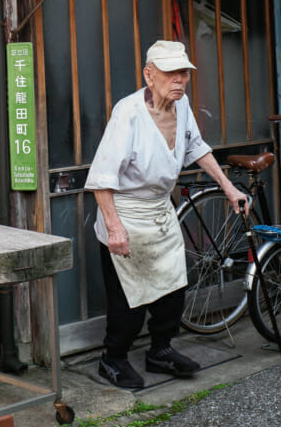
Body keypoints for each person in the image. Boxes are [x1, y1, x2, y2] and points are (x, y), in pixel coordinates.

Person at [87, 40, 251, 390]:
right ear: (149, 74)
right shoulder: (128, 112)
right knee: (128, 300)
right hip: (126, 214)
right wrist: (114, 229)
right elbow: (101, 179)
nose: (179, 79)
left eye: (184, 73)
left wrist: (228, 187)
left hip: (160, 212)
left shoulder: (182, 105)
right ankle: (112, 358)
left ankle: (160, 350)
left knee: (172, 290)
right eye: (171, 72)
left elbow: (196, 147)